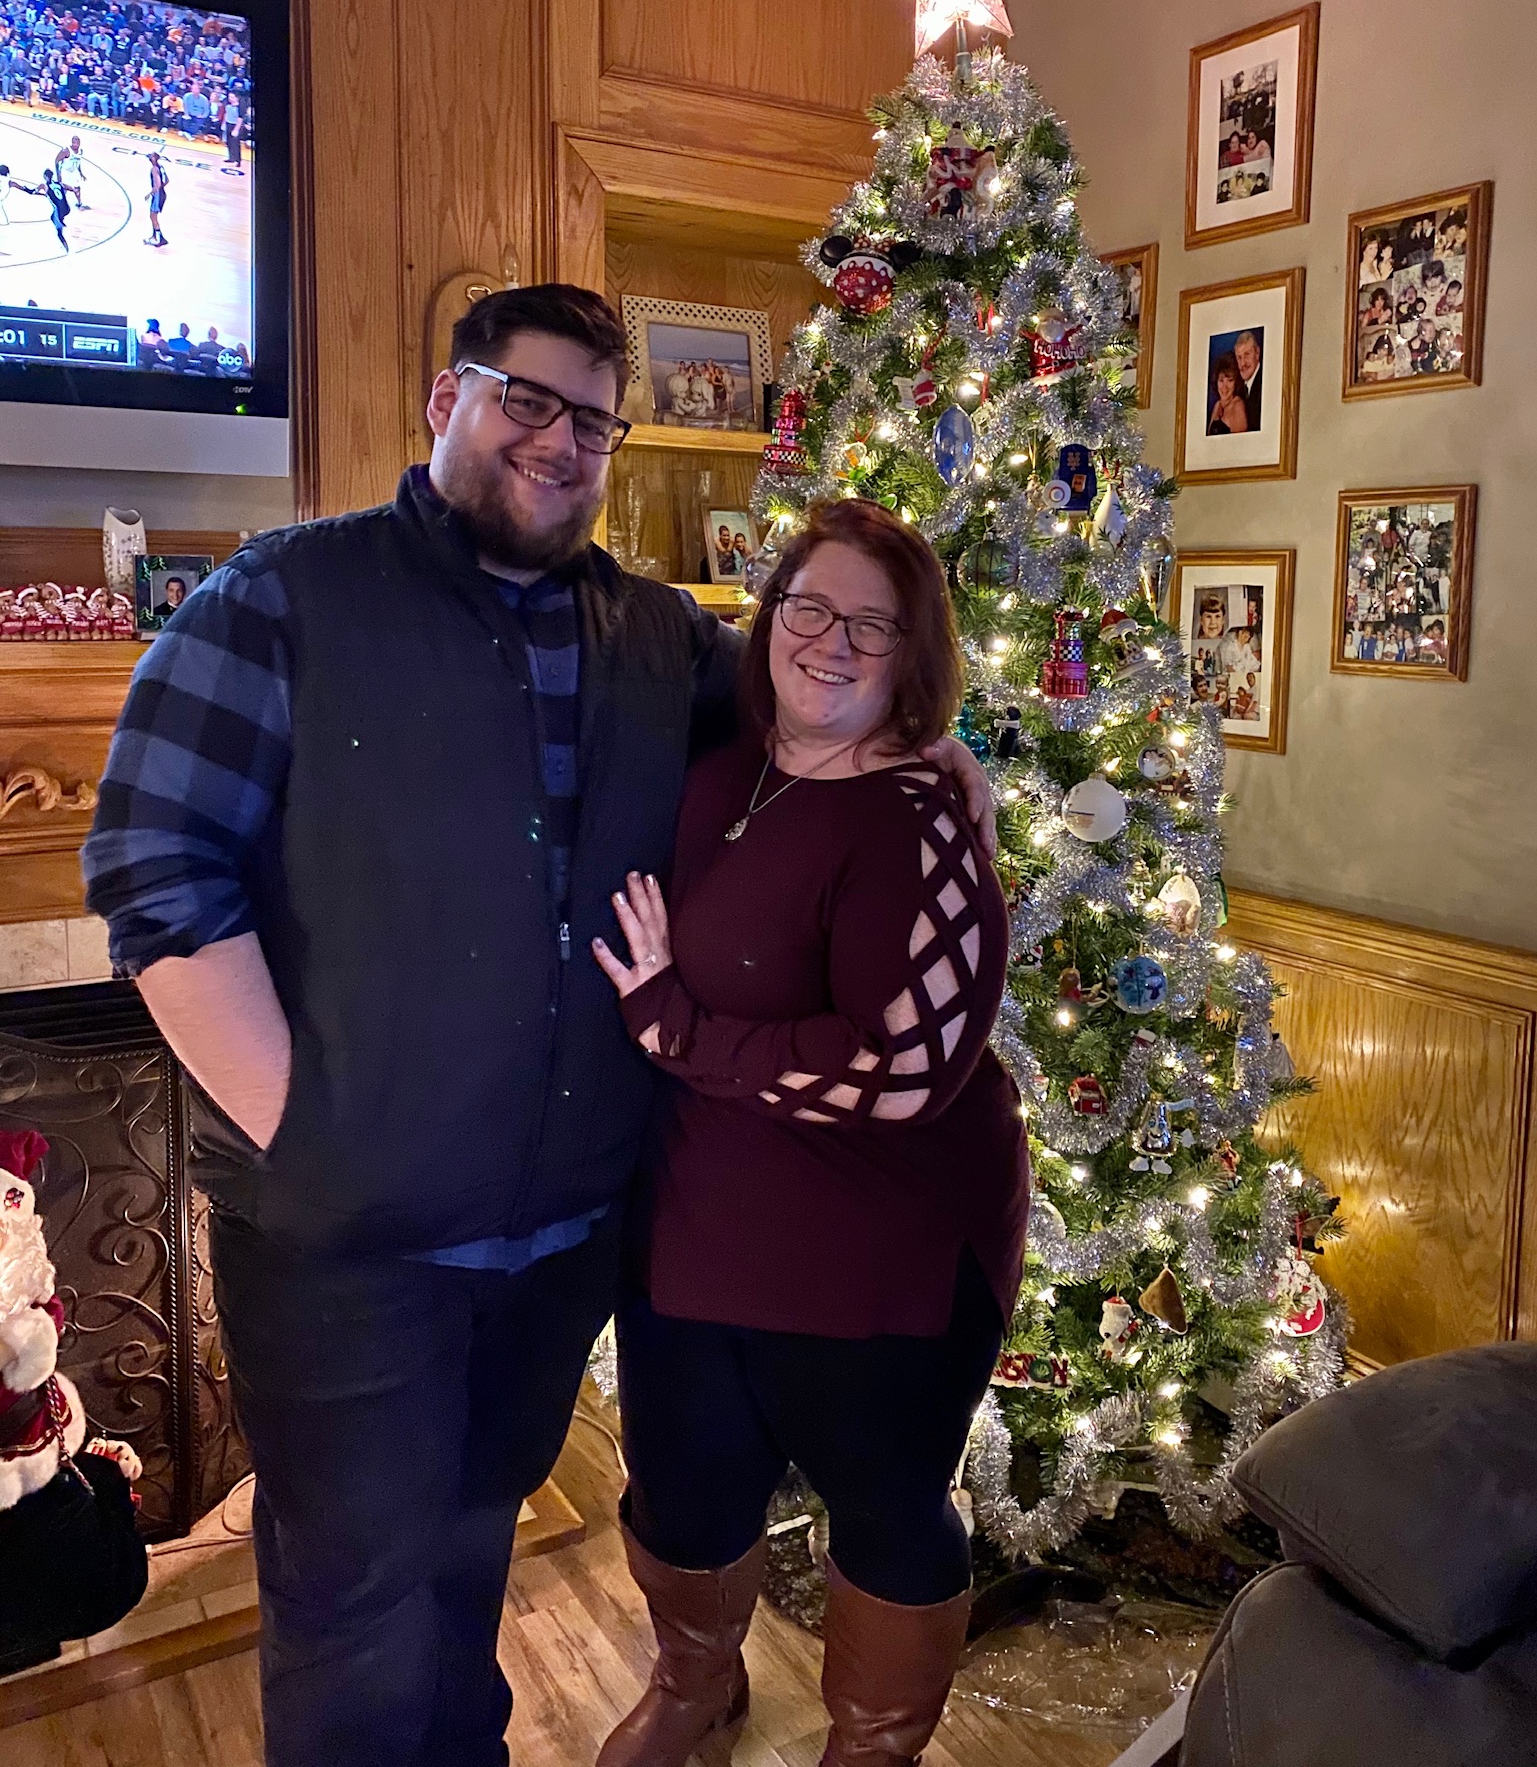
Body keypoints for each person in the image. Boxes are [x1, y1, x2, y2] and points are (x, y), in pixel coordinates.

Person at [80, 284, 992, 1767]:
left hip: (561, 1240)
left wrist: (947, 759)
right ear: (448, 400)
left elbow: (820, 711)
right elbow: (151, 872)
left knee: (467, 1556)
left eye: (595, 421)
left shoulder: (658, 640)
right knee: (355, 1596)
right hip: (346, 1246)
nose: (561, 443)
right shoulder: (281, 598)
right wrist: (312, 1138)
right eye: (529, 398)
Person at [590, 497, 1028, 1767]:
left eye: (872, 627)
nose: (831, 643)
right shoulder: (724, 761)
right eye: (809, 607)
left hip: (875, 1255)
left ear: (913, 657)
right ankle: (694, 1688)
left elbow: (898, 1071)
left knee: (887, 1507)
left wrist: (674, 1030)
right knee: (681, 1486)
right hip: (693, 1225)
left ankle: (874, 1740)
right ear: (768, 615)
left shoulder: (923, 824)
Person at [1206, 351, 1250, 435]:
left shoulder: (1238, 406)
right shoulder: (1218, 404)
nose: (1224, 387)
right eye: (1221, 380)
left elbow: (1241, 444)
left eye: (1230, 380)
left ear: (1236, 382)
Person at [1232, 329, 1264, 423]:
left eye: (1247, 355)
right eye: (1239, 357)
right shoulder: (1238, 388)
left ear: (1257, 353)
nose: (1242, 363)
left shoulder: (1265, 384)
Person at [144, 150, 168, 247]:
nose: (149, 158)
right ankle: (156, 237)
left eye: (151, 157)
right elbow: (166, 181)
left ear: (154, 159)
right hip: (162, 194)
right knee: (152, 216)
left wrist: (150, 194)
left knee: (153, 217)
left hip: (157, 195)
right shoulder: (161, 167)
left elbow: (157, 184)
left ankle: (158, 239)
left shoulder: (154, 169)